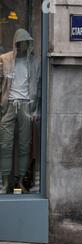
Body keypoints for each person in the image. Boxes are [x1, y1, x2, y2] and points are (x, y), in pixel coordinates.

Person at [0, 28, 40, 193]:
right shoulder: (5, 59)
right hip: (8, 104)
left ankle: (21, 181)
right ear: (16, 43)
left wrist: (35, 110)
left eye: (26, 42)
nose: (23, 45)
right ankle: (4, 182)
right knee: (5, 145)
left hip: (26, 106)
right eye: (21, 42)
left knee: (24, 146)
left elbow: (37, 87)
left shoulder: (34, 61)